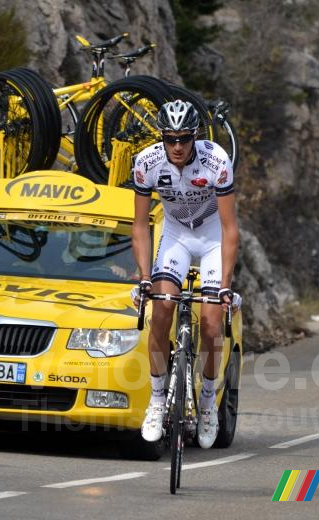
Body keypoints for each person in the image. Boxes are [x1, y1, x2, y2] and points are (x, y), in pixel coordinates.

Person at [130, 99, 241, 448]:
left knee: (210, 325)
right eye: (170, 138)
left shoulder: (217, 161)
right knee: (160, 310)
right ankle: (158, 399)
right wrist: (144, 276)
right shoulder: (146, 163)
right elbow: (140, 225)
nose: (177, 146)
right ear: (161, 137)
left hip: (210, 236)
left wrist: (225, 287)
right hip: (176, 234)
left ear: (196, 136)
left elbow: (229, 229)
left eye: (184, 138)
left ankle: (207, 402)